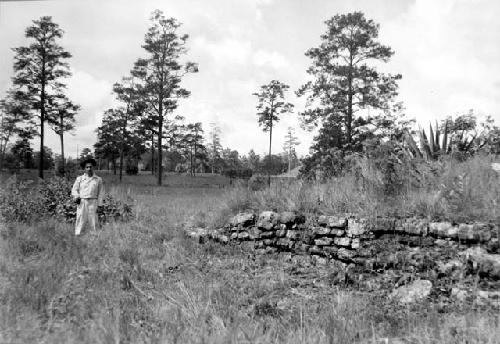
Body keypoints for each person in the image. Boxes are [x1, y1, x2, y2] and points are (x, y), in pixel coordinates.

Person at [71, 158, 104, 236]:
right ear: (84, 168)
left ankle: (94, 235)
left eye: (90, 167)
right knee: (80, 218)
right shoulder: (79, 179)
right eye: (87, 167)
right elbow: (74, 190)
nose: (89, 169)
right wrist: (76, 196)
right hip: (82, 202)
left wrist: (99, 205)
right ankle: (78, 234)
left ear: (93, 167)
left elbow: (101, 193)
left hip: (93, 202)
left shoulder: (98, 179)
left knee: (93, 219)